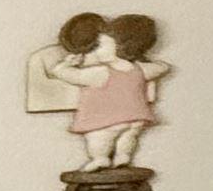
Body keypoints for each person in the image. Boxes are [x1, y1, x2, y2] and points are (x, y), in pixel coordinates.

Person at [45, 12, 170, 169]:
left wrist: (64, 65)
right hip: (135, 118)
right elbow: (163, 67)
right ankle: (123, 156)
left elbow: (69, 75)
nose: (96, 51)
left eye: (101, 45)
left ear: (120, 48)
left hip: (107, 120)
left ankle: (100, 159)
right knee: (128, 138)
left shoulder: (100, 73)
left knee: (97, 139)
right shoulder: (140, 69)